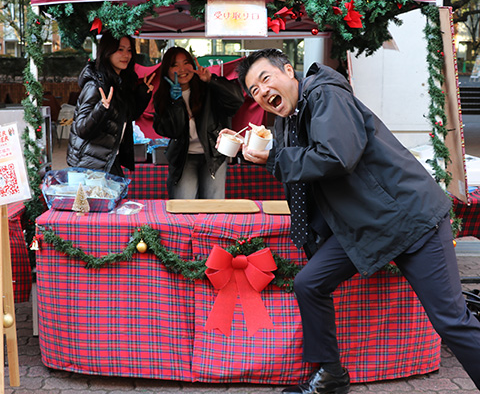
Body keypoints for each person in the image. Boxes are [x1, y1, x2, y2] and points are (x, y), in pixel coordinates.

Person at [218, 48, 480, 393]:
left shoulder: (325, 94)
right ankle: (331, 376)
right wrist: (255, 150)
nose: (263, 92)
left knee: (451, 320)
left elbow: (337, 156)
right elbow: (300, 174)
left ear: (289, 71)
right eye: (254, 90)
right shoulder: (285, 121)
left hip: (410, 218)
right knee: (309, 283)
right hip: (367, 224)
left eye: (266, 79)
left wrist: (274, 158)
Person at [152, 47, 244, 199]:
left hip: (213, 155)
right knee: (183, 203)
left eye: (186, 63)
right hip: (183, 157)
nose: (182, 69)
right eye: (175, 65)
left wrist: (211, 80)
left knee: (213, 206)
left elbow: (237, 100)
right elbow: (171, 131)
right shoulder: (163, 97)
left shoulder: (208, 88)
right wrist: (175, 103)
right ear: (166, 70)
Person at [67, 31, 155, 177]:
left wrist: (142, 94)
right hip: (88, 165)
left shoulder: (120, 83)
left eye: (129, 50)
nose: (126, 55)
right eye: (120, 49)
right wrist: (101, 108)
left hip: (108, 160)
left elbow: (129, 116)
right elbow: (81, 129)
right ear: (107, 51)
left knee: (120, 191)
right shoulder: (95, 86)